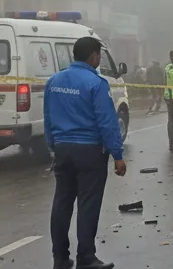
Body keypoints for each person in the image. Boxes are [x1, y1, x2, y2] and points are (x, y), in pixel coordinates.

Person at [45, 37, 126, 269]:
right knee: (88, 205)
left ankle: (60, 258)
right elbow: (107, 122)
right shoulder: (96, 83)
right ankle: (86, 257)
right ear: (93, 57)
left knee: (62, 203)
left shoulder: (55, 80)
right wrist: (117, 155)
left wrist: (54, 146)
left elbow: (49, 117)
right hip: (89, 151)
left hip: (62, 149)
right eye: (99, 55)